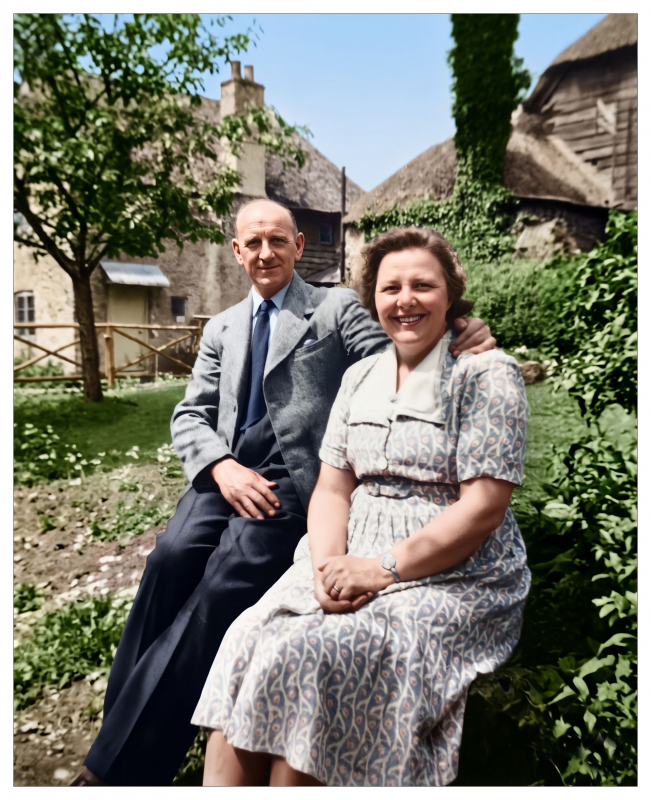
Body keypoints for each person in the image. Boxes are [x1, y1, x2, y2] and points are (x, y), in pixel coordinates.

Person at [73, 202, 495, 786]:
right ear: (237, 251)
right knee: (168, 558)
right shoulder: (222, 328)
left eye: (278, 240)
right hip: (227, 472)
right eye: (253, 243)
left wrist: (459, 331)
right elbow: (190, 414)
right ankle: (117, 731)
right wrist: (221, 467)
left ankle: (117, 772)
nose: (265, 253)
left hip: (292, 479)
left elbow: (396, 351)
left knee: (225, 580)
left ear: (298, 246)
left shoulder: (334, 307)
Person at [193, 225, 530, 787]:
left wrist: (381, 569)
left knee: (321, 654)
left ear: (451, 294)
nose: (405, 300)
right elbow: (332, 488)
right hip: (349, 552)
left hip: (454, 572)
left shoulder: (485, 374)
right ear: (373, 298)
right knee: (249, 637)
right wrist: (327, 567)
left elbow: (483, 509)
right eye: (390, 287)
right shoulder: (359, 377)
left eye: (423, 285)